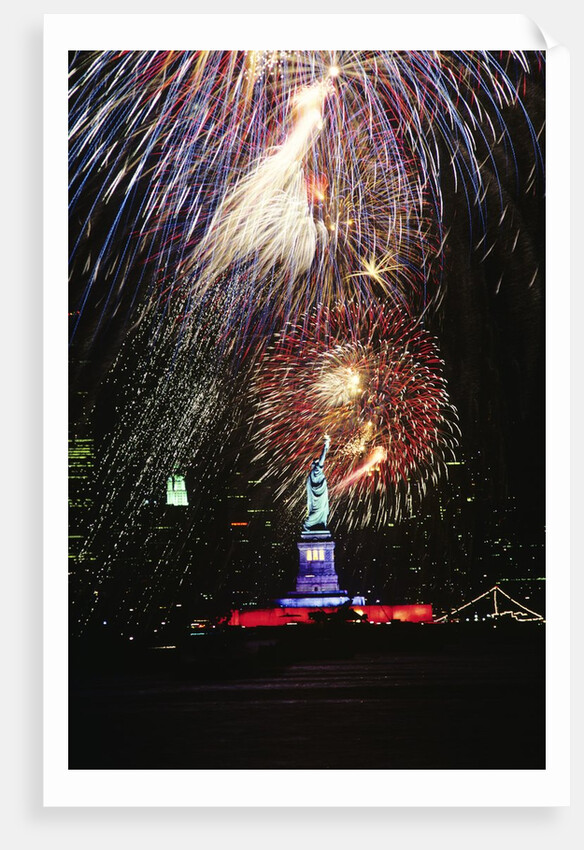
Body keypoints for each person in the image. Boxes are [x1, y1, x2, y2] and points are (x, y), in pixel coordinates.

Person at [303, 435, 331, 532]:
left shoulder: (314, 472)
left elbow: (322, 458)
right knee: (316, 513)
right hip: (317, 498)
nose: (319, 464)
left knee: (317, 513)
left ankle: (314, 524)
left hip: (319, 498)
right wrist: (325, 446)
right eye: (317, 463)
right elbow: (322, 458)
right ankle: (315, 524)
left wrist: (326, 446)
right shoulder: (316, 471)